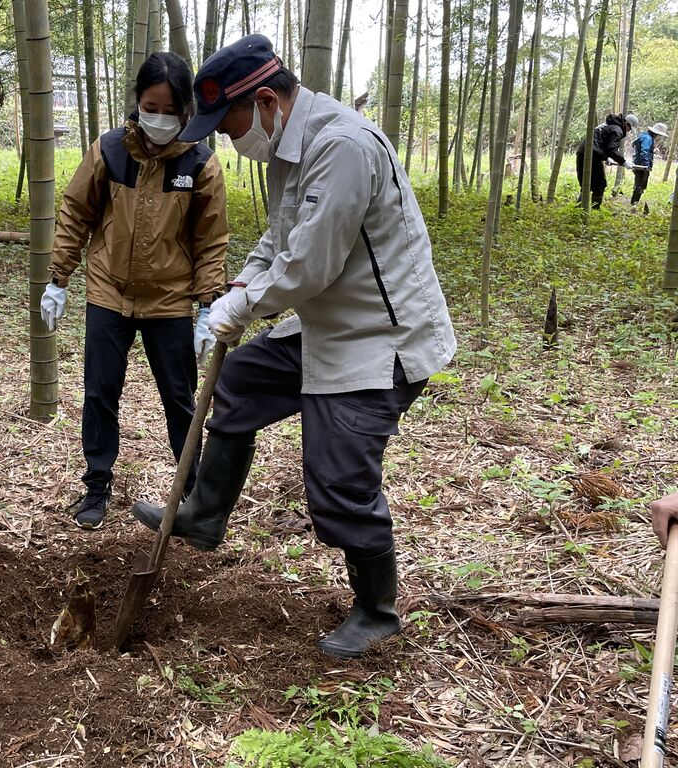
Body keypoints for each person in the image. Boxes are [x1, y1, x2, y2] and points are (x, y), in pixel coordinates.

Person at [130, 35, 457, 659]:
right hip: (325, 324)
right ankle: (204, 511)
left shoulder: (342, 146)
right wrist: (238, 290)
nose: (229, 141)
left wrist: (246, 305)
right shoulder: (288, 145)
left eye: (228, 126)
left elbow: (310, 263)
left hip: (379, 339)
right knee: (242, 380)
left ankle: (377, 608)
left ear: (267, 101)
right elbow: (279, 240)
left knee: (337, 481)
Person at [41, 51, 229, 531]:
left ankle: (193, 497)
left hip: (169, 299)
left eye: (170, 110)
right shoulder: (109, 150)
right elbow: (76, 213)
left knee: (180, 399)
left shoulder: (201, 164)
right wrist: (57, 278)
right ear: (137, 101)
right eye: (151, 106)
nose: (160, 118)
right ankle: (96, 486)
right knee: (100, 393)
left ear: (186, 110)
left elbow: (211, 240)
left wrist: (208, 308)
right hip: (108, 292)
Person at [575, 113, 639, 209]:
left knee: (587, 184)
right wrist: (624, 162)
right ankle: (595, 210)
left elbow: (600, 143)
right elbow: (611, 149)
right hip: (592, 156)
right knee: (600, 184)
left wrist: (605, 157)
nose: (628, 131)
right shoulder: (617, 130)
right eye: (629, 129)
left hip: (583, 153)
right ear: (626, 124)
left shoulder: (609, 125)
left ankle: (578, 208)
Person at [631, 122, 669, 206]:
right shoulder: (647, 138)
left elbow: (633, 144)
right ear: (656, 133)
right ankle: (634, 204)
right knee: (640, 185)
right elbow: (644, 152)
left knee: (639, 183)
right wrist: (646, 166)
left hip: (638, 163)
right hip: (642, 165)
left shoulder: (644, 135)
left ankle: (634, 202)